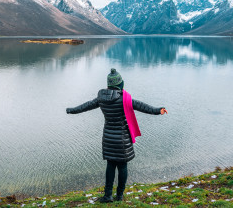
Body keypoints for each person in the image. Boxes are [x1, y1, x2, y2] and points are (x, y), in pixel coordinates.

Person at [66, 68, 168, 203]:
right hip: (122, 140)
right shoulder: (124, 99)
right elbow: (142, 106)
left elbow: (86, 106)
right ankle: (119, 195)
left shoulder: (101, 99)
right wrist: (157, 110)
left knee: (110, 166)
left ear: (108, 85)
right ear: (120, 84)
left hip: (108, 139)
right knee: (122, 167)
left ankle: (108, 196)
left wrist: (71, 110)